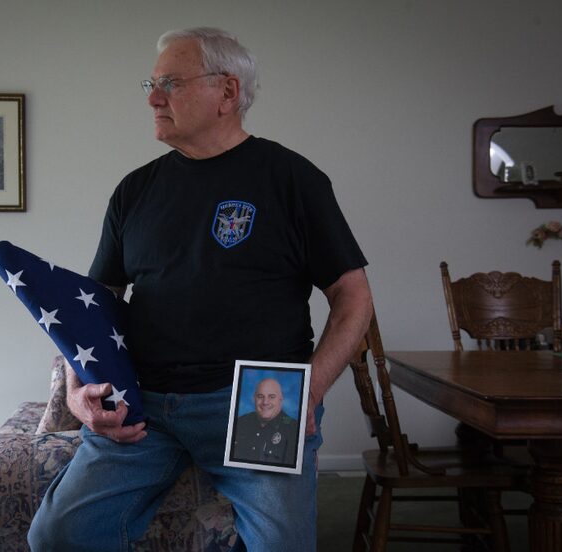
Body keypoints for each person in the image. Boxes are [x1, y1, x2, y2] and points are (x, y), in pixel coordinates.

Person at [28, 27, 372, 551]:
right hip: (143, 402)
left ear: (227, 93)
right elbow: (94, 308)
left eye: (169, 82)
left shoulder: (292, 180)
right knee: (57, 535)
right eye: (151, 82)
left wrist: (311, 391)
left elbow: (353, 297)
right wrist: (78, 391)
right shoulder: (135, 190)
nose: (152, 97)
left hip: (261, 399)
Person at [232, 378, 298, 465]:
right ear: (254, 398)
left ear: (281, 399)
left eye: (271, 397)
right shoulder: (240, 422)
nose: (265, 402)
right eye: (260, 396)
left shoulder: (294, 429)